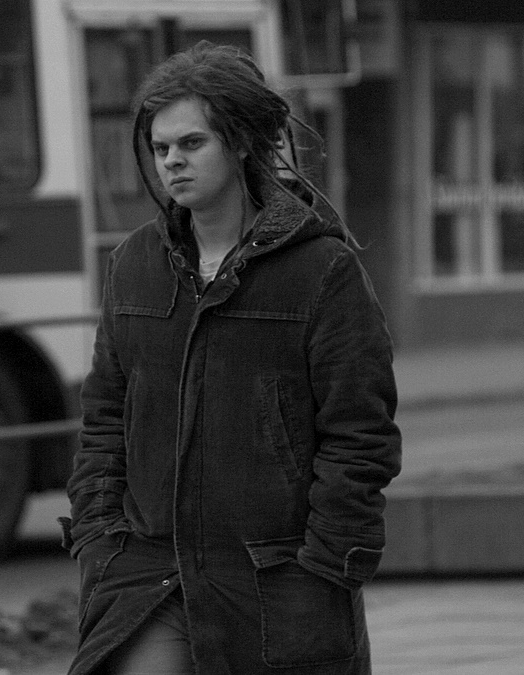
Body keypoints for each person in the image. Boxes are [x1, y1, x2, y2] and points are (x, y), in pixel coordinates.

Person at [61, 41, 402, 675]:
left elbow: (360, 434)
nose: (172, 161)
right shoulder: (134, 266)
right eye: (161, 148)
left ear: (241, 142)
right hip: (150, 577)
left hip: (275, 583)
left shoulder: (322, 271)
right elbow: (105, 414)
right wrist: (100, 539)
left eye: (191, 143)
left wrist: (325, 565)